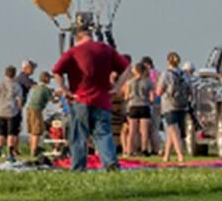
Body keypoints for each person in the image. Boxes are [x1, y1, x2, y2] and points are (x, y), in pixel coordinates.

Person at [52, 25, 128, 172]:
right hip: (103, 100)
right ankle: (111, 163)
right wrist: (118, 87)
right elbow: (126, 68)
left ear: (77, 38)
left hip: (81, 99)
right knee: (103, 134)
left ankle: (79, 168)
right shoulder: (106, 49)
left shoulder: (73, 52)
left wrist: (65, 90)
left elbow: (56, 71)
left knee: (79, 136)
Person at [157, 52, 190, 163]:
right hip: (182, 104)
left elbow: (159, 91)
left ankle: (180, 155)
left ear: (168, 61)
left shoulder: (166, 74)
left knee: (174, 131)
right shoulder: (184, 74)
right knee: (173, 132)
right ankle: (166, 156)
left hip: (169, 105)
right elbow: (190, 89)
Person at [125, 58, 154, 159]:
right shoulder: (148, 82)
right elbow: (152, 97)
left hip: (133, 106)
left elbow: (126, 96)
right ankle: (144, 149)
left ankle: (129, 150)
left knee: (132, 131)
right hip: (144, 106)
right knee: (144, 131)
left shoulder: (130, 82)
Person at [0, 66, 22, 160]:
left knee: (0, 133)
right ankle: (10, 152)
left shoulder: (0, 84)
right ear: (14, 74)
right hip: (12, 111)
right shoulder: (16, 85)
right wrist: (20, 112)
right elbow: (19, 100)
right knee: (11, 133)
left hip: (1, 111)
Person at [24, 69, 54, 160]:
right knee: (37, 131)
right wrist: (59, 96)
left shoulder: (37, 87)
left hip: (29, 109)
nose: (50, 80)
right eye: (49, 78)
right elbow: (53, 100)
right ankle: (34, 151)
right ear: (46, 78)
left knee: (33, 132)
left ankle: (32, 151)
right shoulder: (45, 89)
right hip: (36, 110)